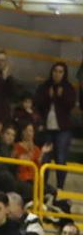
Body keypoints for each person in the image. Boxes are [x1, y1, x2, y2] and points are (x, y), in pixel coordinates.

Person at [34, 63, 77, 192]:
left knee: (61, 158)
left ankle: (60, 187)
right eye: (55, 71)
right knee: (45, 158)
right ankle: (42, 187)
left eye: (60, 71)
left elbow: (70, 104)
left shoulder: (68, 88)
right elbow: (38, 103)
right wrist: (50, 96)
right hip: (47, 128)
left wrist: (59, 96)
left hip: (62, 129)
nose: (57, 74)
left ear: (64, 74)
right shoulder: (45, 87)